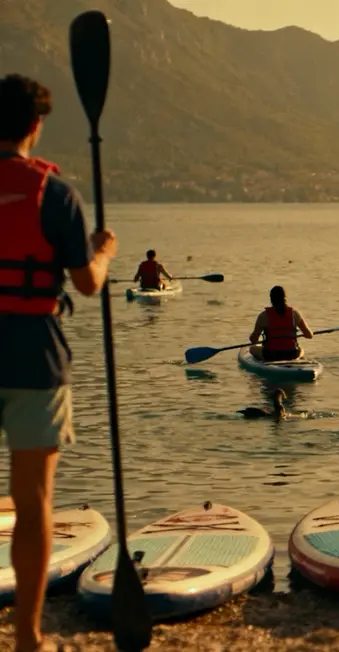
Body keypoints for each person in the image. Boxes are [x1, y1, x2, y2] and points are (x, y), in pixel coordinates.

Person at [0, 73, 117, 652]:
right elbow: (87, 284)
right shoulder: (56, 194)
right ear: (36, 124)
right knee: (33, 503)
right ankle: (27, 636)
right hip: (35, 357)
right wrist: (103, 251)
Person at [249, 286, 312, 361]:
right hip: (291, 353)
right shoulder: (294, 314)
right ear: (284, 298)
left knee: (252, 349)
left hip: (272, 355)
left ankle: (263, 362)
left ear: (271, 299)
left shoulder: (263, 316)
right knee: (301, 349)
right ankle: (297, 359)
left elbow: (253, 339)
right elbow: (309, 335)